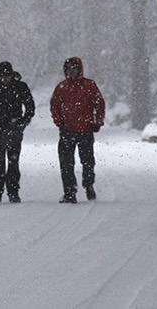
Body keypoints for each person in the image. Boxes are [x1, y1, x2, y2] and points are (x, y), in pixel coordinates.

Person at [49, 55, 105, 202]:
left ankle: (88, 184)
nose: (71, 72)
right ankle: (70, 191)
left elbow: (99, 104)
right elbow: (54, 105)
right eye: (69, 70)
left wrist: (97, 122)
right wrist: (60, 122)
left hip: (85, 129)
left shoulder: (89, 85)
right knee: (67, 163)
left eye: (74, 69)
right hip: (68, 129)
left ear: (79, 70)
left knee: (87, 161)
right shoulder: (62, 88)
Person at [0, 60, 35, 202]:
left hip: (13, 129)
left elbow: (30, 107)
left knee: (12, 162)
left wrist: (22, 123)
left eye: (7, 76)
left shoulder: (19, 87)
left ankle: (12, 191)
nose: (5, 79)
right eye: (2, 76)